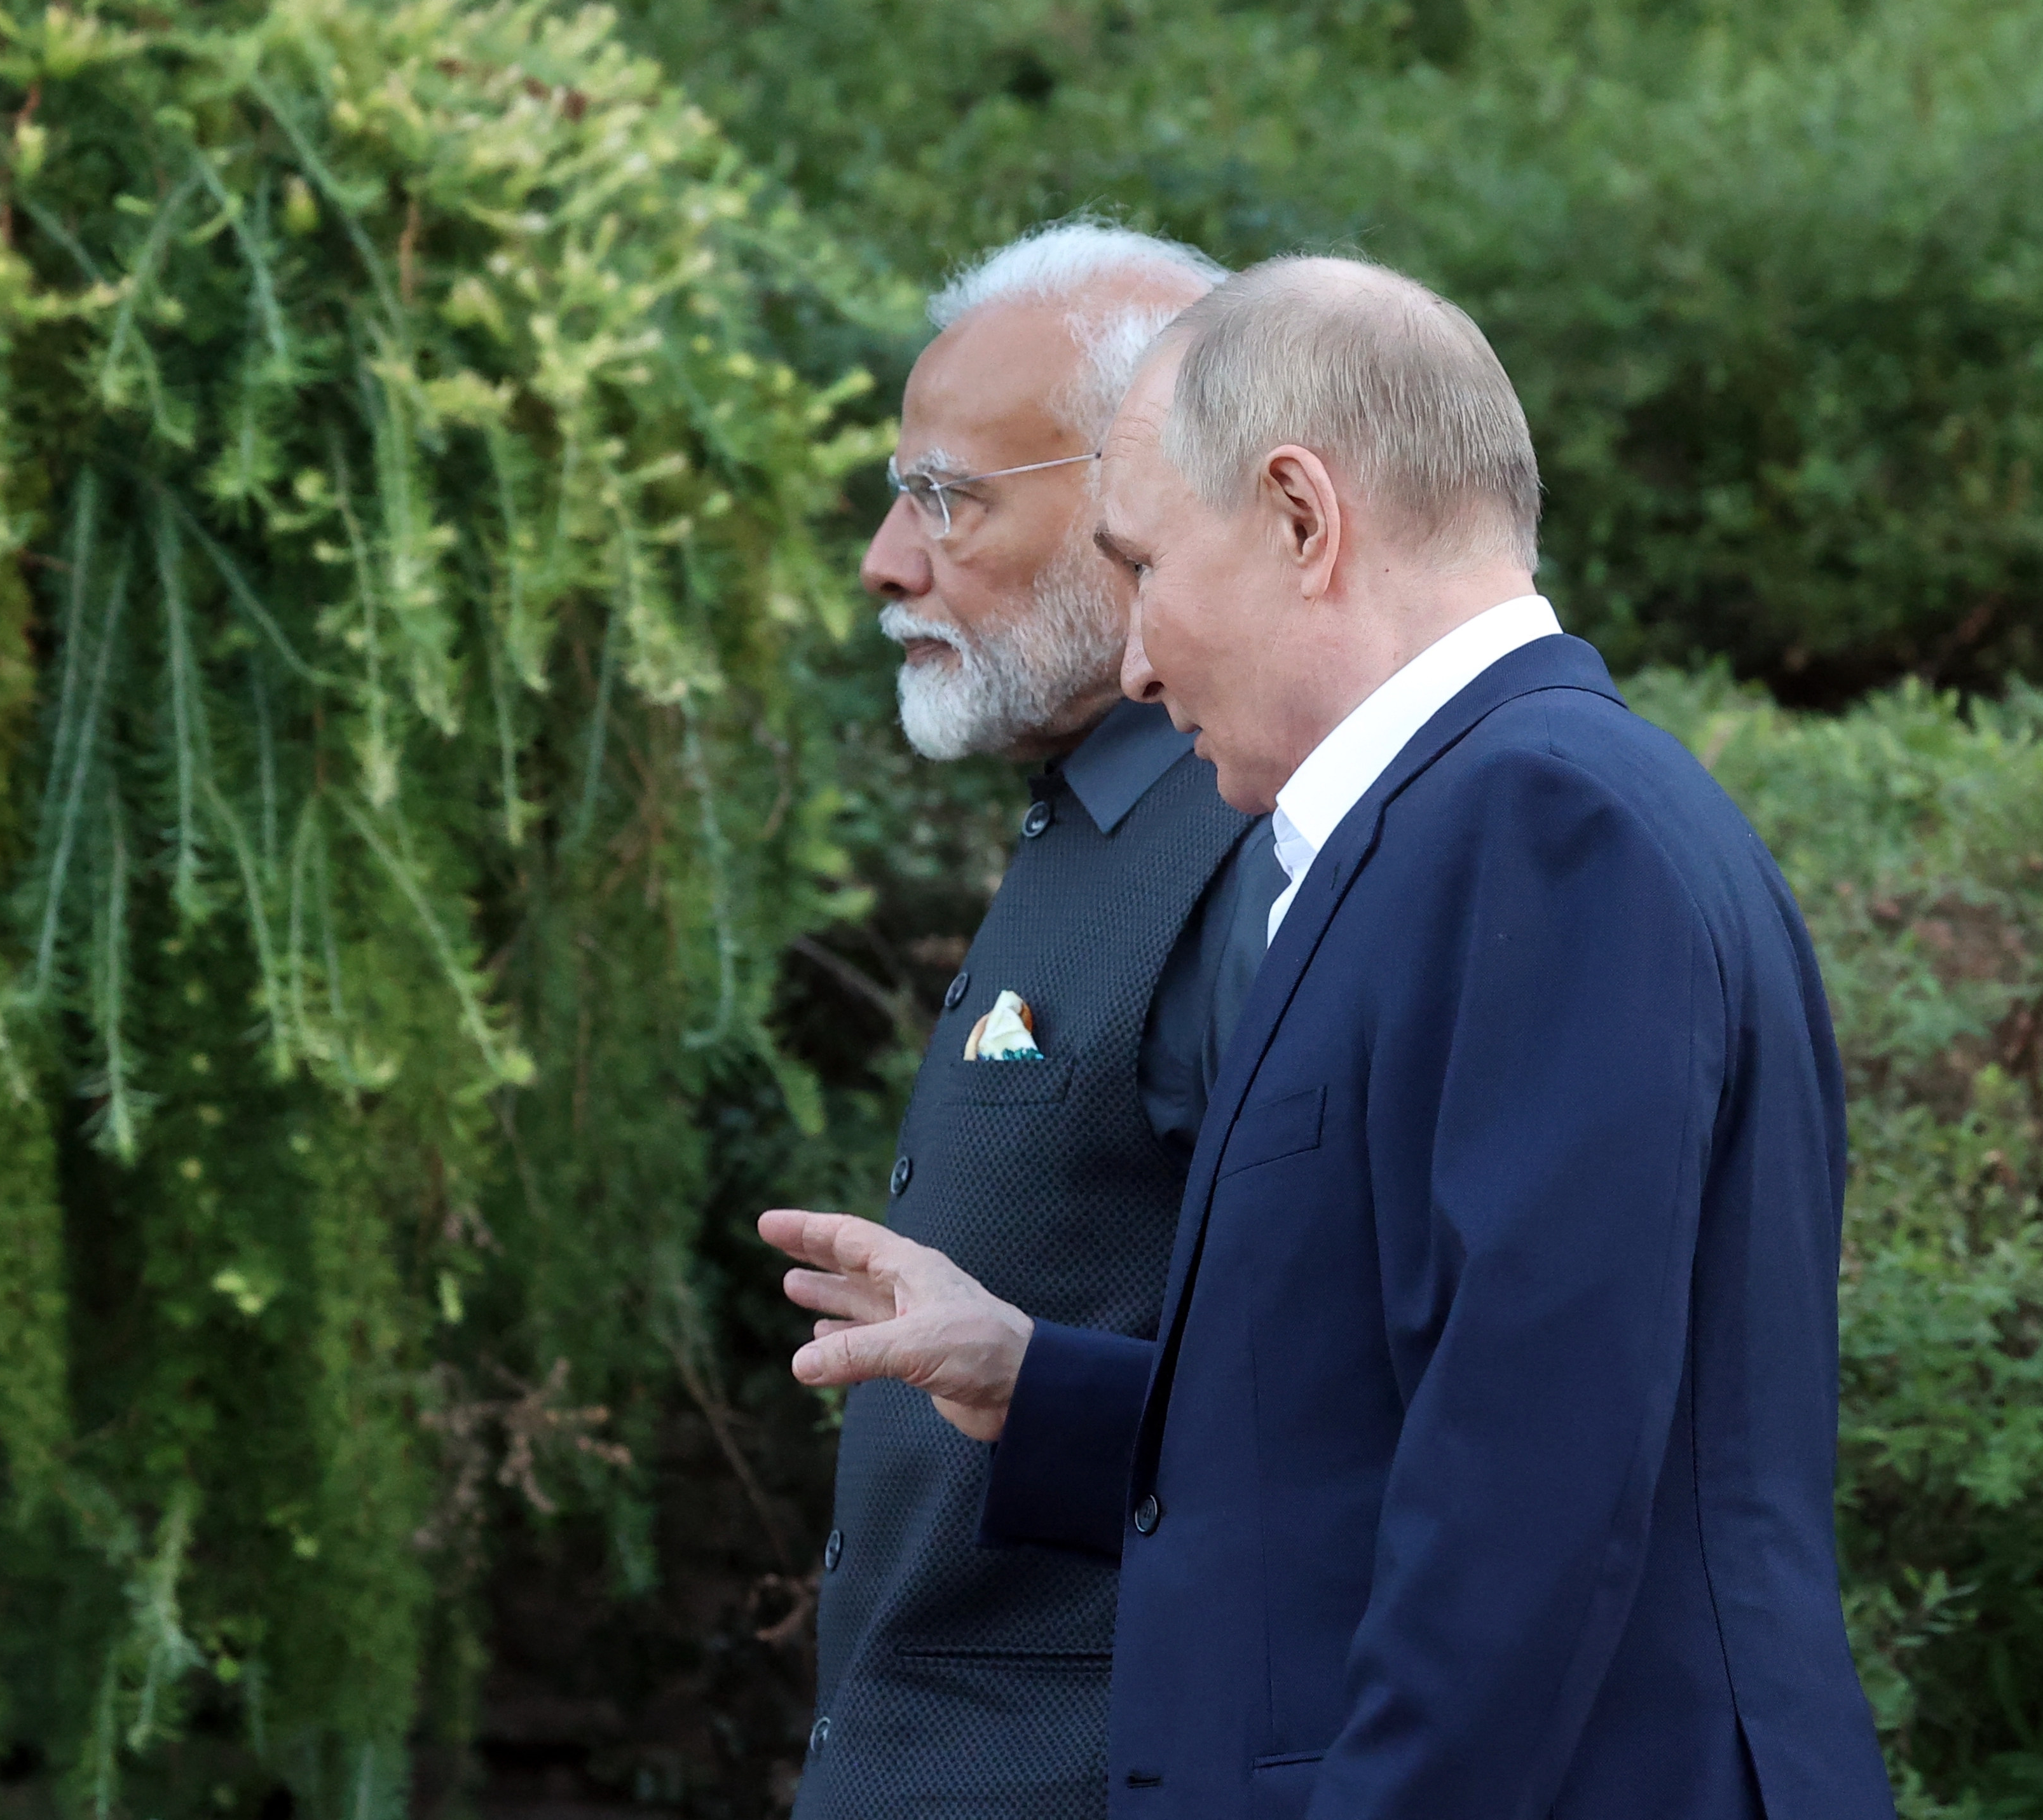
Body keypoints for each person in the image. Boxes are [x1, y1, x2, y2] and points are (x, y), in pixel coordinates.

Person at [763, 254, 1896, 1819]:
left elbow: (1526, 1512)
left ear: (1303, 520)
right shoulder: (1458, 824)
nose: (1141, 662)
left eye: (1147, 567)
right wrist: (1035, 1381)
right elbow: (1367, 1438)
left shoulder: (1538, 827)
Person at [791, 222, 1287, 1820]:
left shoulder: (1254, 846)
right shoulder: (1095, 811)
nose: (885, 556)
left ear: (1144, 485)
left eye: (946, 495)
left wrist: (1023, 1373)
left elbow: (1336, 1416)